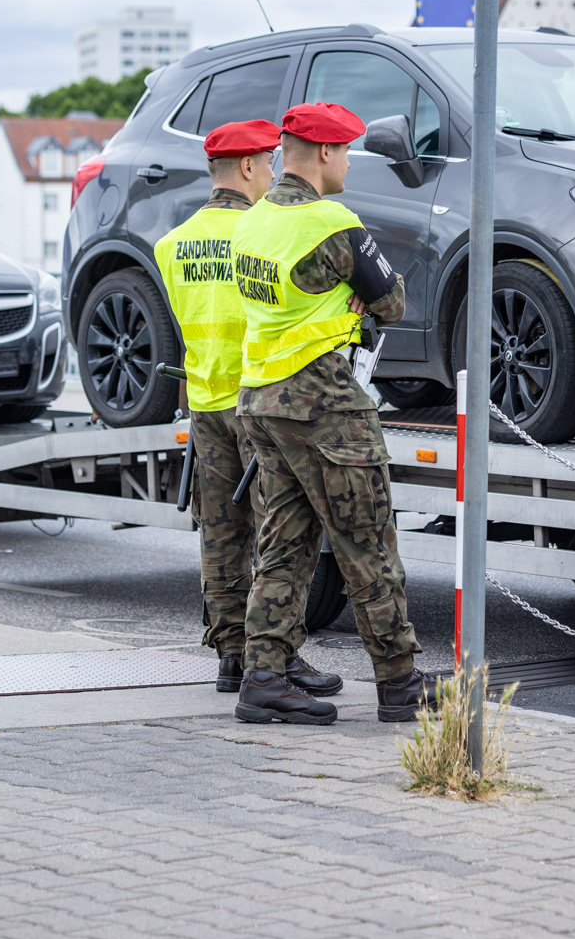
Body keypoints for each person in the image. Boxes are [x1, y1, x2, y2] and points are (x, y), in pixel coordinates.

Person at [232, 100, 438, 726]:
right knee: (367, 542)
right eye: (346, 151)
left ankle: (263, 678)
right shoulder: (332, 222)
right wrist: (357, 297)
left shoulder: (252, 221)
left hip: (262, 399)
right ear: (324, 152)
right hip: (326, 404)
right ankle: (400, 683)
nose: (348, 162)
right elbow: (393, 302)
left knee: (284, 543)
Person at [154, 119, 342, 702]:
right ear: (245, 167)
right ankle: (277, 658)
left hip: (206, 402)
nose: (272, 174)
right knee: (279, 536)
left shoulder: (172, 244)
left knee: (220, 536)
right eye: (267, 164)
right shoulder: (258, 232)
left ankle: (231, 658)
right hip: (258, 400)